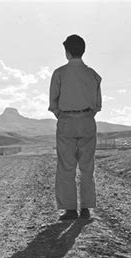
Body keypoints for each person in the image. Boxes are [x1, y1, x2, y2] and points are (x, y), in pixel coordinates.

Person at [49, 34, 102, 220]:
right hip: (87, 120)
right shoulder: (93, 74)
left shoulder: (59, 73)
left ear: (67, 52)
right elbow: (98, 105)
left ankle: (70, 209)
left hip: (66, 122)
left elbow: (53, 103)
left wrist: (64, 115)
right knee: (87, 166)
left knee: (66, 166)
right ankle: (86, 209)